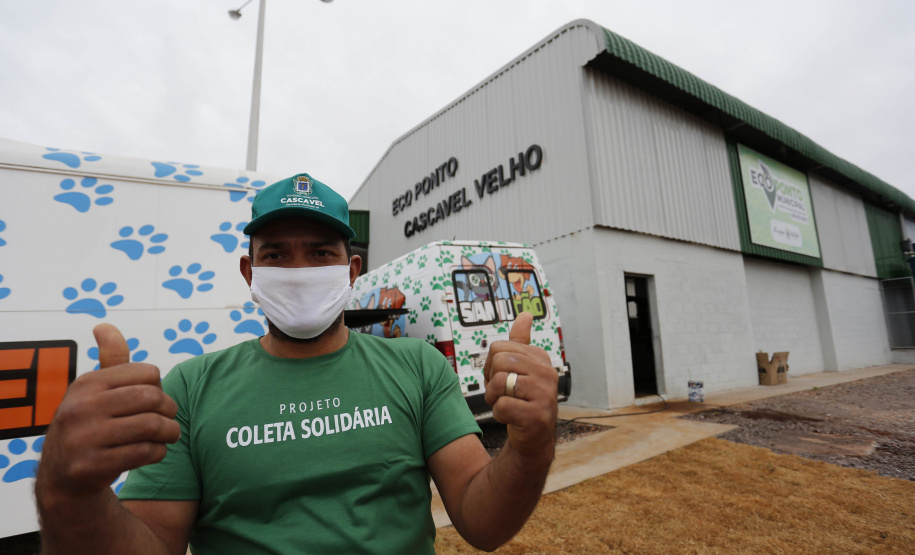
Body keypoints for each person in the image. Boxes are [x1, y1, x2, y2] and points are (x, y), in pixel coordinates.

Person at [35, 173, 559, 554]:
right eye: (277, 255)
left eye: (320, 253)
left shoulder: (417, 366)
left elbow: (482, 523)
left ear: (351, 269)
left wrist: (531, 448)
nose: (299, 270)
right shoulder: (191, 387)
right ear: (250, 271)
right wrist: (68, 492)